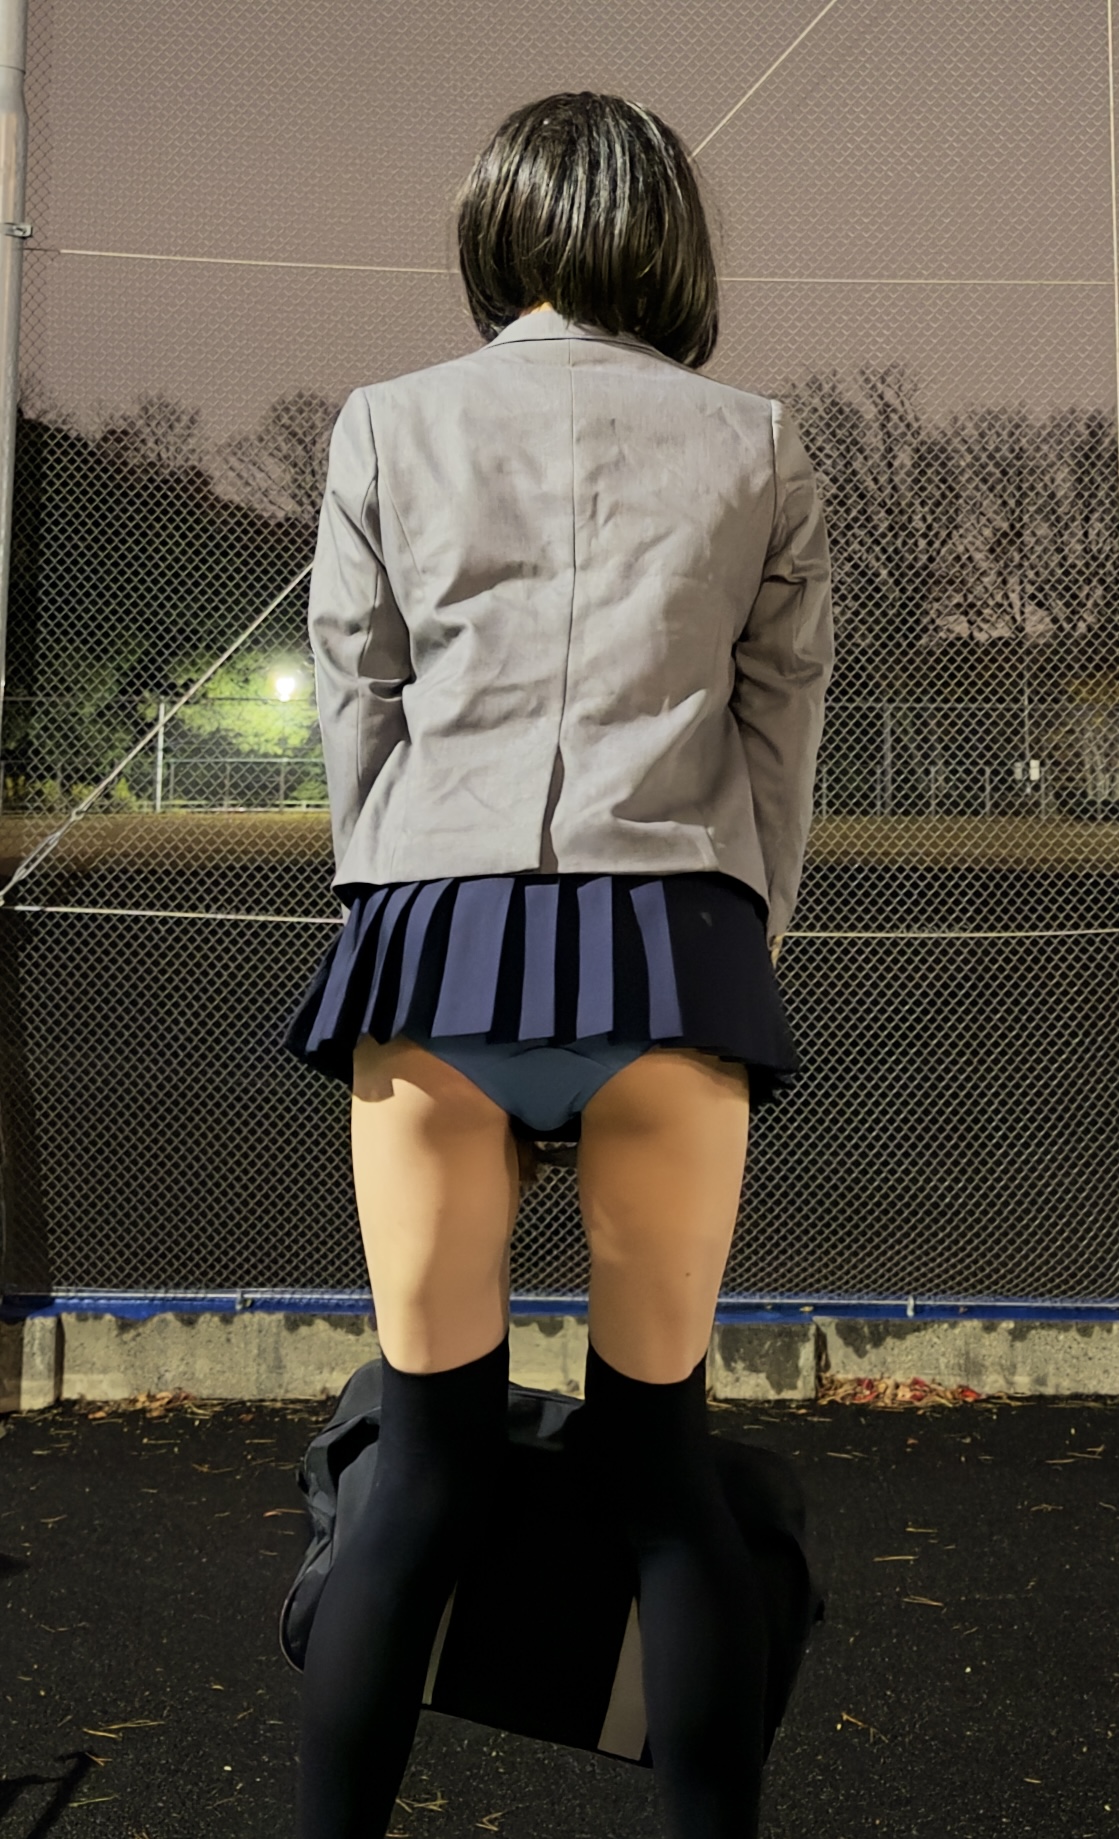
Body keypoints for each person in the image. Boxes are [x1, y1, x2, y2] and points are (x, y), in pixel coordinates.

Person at [282, 89, 833, 1839]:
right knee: (664, 1472)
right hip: (674, 946)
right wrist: (733, 947)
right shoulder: (759, 444)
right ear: (667, 236)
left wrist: (391, 897)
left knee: (421, 1467)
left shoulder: (387, 424)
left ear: (497, 225)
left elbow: (361, 705)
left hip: (433, 941)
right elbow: (778, 741)